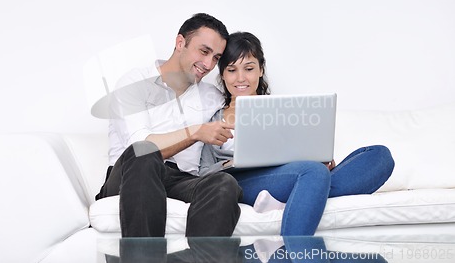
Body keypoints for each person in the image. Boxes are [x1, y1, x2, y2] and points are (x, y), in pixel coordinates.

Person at [200, 31, 395, 236]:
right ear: (222, 74)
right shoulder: (214, 119)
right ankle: (296, 243)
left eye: (249, 68)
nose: (240, 78)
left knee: (379, 155)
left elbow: (301, 153)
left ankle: (300, 196)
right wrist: (230, 163)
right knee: (313, 173)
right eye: (232, 70)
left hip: (294, 174)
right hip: (244, 183)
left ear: (260, 70)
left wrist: (316, 159)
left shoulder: (286, 111)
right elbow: (201, 174)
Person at [96, 13, 243, 237]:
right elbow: (141, 146)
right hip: (130, 176)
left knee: (224, 183)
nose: (208, 64)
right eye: (204, 51)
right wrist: (195, 133)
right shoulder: (134, 84)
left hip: (180, 179)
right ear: (180, 42)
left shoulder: (211, 96)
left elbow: (240, 103)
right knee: (144, 154)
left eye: (216, 58)